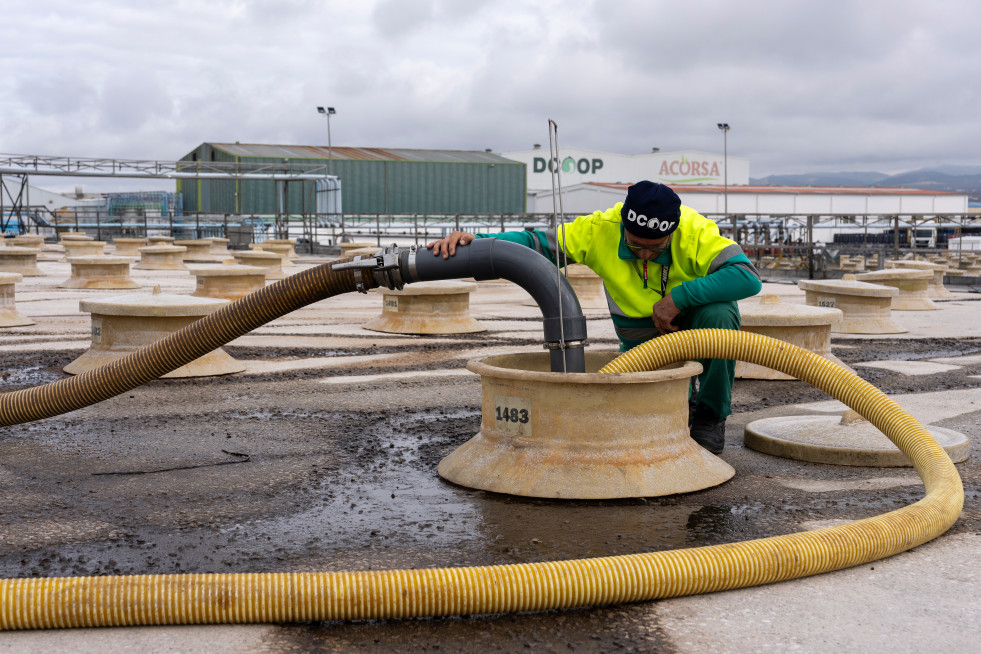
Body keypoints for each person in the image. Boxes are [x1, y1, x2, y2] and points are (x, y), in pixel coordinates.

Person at [427, 181, 762, 454]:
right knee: (635, 420)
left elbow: (747, 276)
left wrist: (680, 297)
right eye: (635, 246)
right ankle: (681, 401)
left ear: (671, 233)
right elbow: (535, 244)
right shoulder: (600, 228)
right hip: (639, 334)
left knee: (720, 314)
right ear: (623, 228)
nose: (644, 254)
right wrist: (481, 243)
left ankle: (709, 415)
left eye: (655, 249)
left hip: (691, 321)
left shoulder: (693, 230)